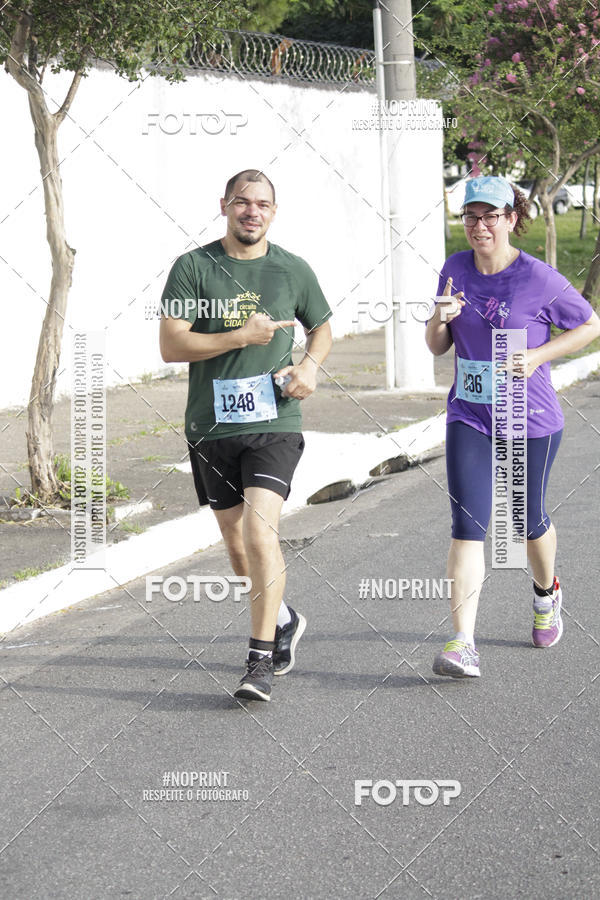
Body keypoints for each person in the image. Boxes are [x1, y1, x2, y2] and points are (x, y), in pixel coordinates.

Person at [159, 169, 332, 700]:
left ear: (273, 213)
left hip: (272, 424)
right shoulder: (193, 267)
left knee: (260, 535)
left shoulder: (292, 270)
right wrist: (242, 334)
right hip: (210, 426)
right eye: (242, 202)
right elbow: (172, 346)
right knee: (236, 547)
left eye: (262, 204)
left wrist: (310, 366)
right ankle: (282, 619)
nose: (252, 211)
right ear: (225, 207)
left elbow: (321, 326)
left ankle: (257, 663)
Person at [425, 175, 600, 678]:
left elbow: (589, 324)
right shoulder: (455, 268)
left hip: (530, 420)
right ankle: (462, 643)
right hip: (470, 415)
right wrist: (441, 318)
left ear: (512, 219)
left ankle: (547, 593)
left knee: (525, 520)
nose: (480, 226)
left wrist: (539, 355)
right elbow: (438, 345)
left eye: (491, 216)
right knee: (468, 525)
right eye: (471, 216)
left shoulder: (538, 278)